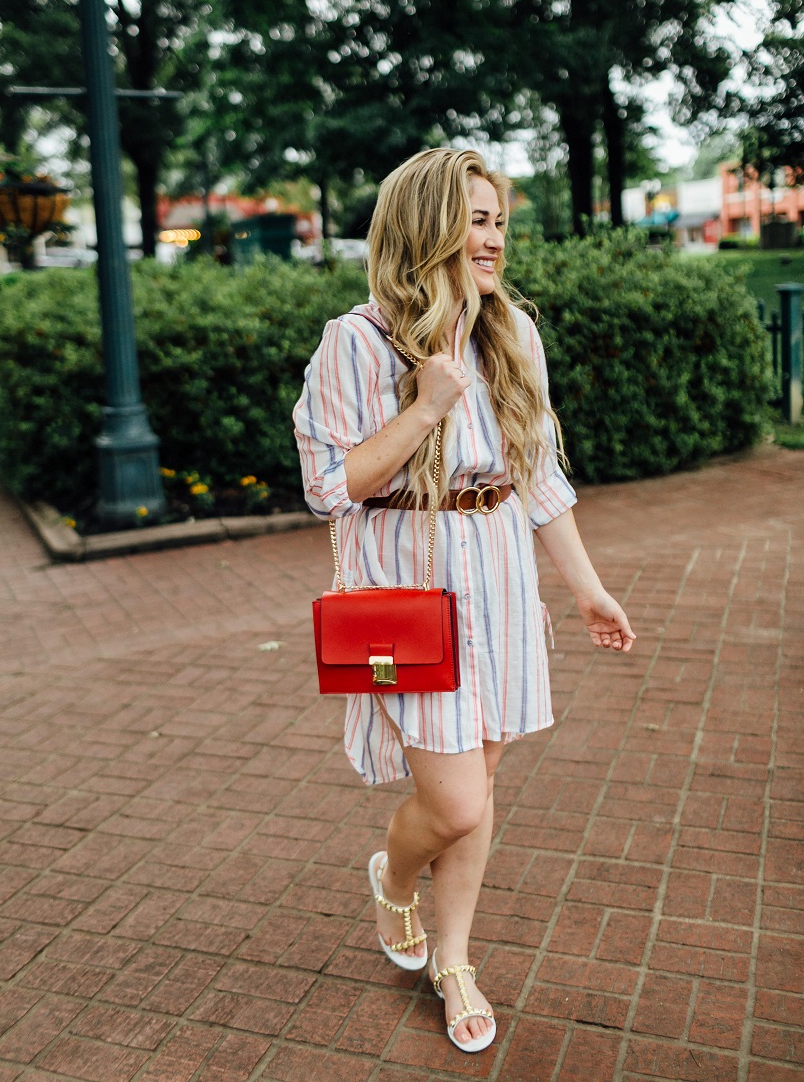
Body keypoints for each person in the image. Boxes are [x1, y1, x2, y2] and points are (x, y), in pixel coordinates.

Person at [293, 147, 635, 1053]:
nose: (492, 240)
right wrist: (425, 407)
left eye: (497, 222)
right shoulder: (359, 340)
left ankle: (454, 961)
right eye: (475, 220)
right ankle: (394, 878)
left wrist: (590, 590)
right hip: (413, 593)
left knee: (477, 788)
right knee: (455, 807)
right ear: (426, 228)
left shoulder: (511, 333)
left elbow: (536, 478)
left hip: (499, 581)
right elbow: (333, 486)